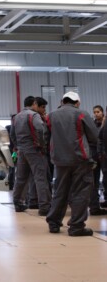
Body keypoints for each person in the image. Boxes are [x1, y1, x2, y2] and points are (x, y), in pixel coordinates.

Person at [46, 92, 99, 236]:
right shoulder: (81, 114)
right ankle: (76, 226)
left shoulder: (51, 115)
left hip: (59, 160)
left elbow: (45, 136)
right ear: (77, 102)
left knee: (60, 191)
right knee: (81, 192)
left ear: (62, 101)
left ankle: (54, 223)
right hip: (80, 160)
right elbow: (94, 136)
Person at [12, 96, 51, 216]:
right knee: (40, 177)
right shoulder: (34, 115)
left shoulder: (17, 116)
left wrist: (18, 146)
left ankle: (17, 203)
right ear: (34, 103)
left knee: (21, 178)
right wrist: (42, 145)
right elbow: (40, 129)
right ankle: (44, 206)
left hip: (22, 151)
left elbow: (12, 134)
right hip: (34, 150)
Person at [89, 106, 107, 215]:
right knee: (94, 181)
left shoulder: (105, 123)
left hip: (103, 155)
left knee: (105, 178)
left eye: (98, 112)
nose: (96, 114)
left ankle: (105, 199)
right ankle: (94, 206)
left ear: (102, 112)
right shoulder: (92, 124)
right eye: (94, 112)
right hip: (95, 155)